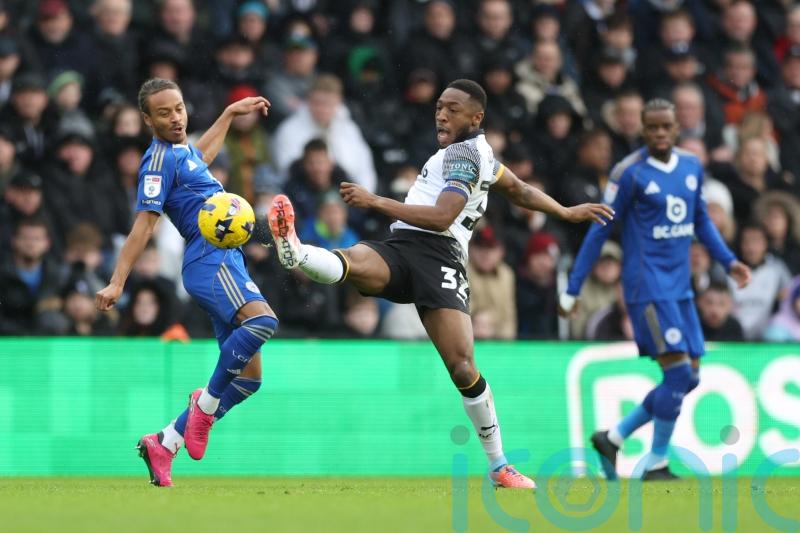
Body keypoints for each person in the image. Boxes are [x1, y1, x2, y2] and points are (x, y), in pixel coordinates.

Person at [267, 79, 613, 489]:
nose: (441, 114)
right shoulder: (473, 153)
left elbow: (441, 217)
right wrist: (566, 211)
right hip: (403, 243)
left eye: (452, 108)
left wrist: (375, 200)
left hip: (439, 256)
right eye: (439, 107)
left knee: (462, 366)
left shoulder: (466, 155)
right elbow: (517, 188)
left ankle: (499, 464)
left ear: (476, 118)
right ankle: (296, 251)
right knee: (356, 260)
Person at [558, 98, 752, 481]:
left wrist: (728, 261)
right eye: (652, 128)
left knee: (689, 376)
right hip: (647, 287)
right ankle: (656, 462)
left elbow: (701, 221)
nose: (660, 134)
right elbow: (600, 231)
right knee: (678, 375)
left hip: (680, 289)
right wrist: (574, 286)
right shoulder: (628, 173)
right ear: (643, 131)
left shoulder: (692, 167)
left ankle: (612, 438)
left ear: (678, 128)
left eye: (666, 127)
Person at [95, 78, 275, 487]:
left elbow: (200, 156)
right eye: (164, 113)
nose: (175, 118)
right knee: (263, 323)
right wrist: (117, 281)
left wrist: (229, 113)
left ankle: (165, 443)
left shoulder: (180, 153)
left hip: (227, 258)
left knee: (249, 379)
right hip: (209, 259)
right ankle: (204, 405)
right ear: (147, 119)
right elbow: (144, 226)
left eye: (178, 108)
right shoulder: (157, 162)